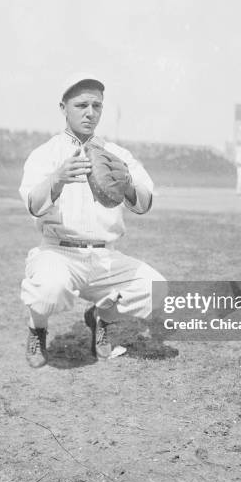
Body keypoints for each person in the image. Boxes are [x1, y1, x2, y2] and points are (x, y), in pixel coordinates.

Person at [19, 73, 166, 368]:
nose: (90, 112)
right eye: (81, 105)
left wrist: (127, 186)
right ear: (63, 107)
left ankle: (100, 317)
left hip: (104, 257)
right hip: (59, 252)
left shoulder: (117, 154)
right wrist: (57, 178)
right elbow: (33, 206)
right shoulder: (46, 154)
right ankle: (37, 329)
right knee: (48, 290)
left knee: (158, 289)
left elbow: (145, 202)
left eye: (96, 106)